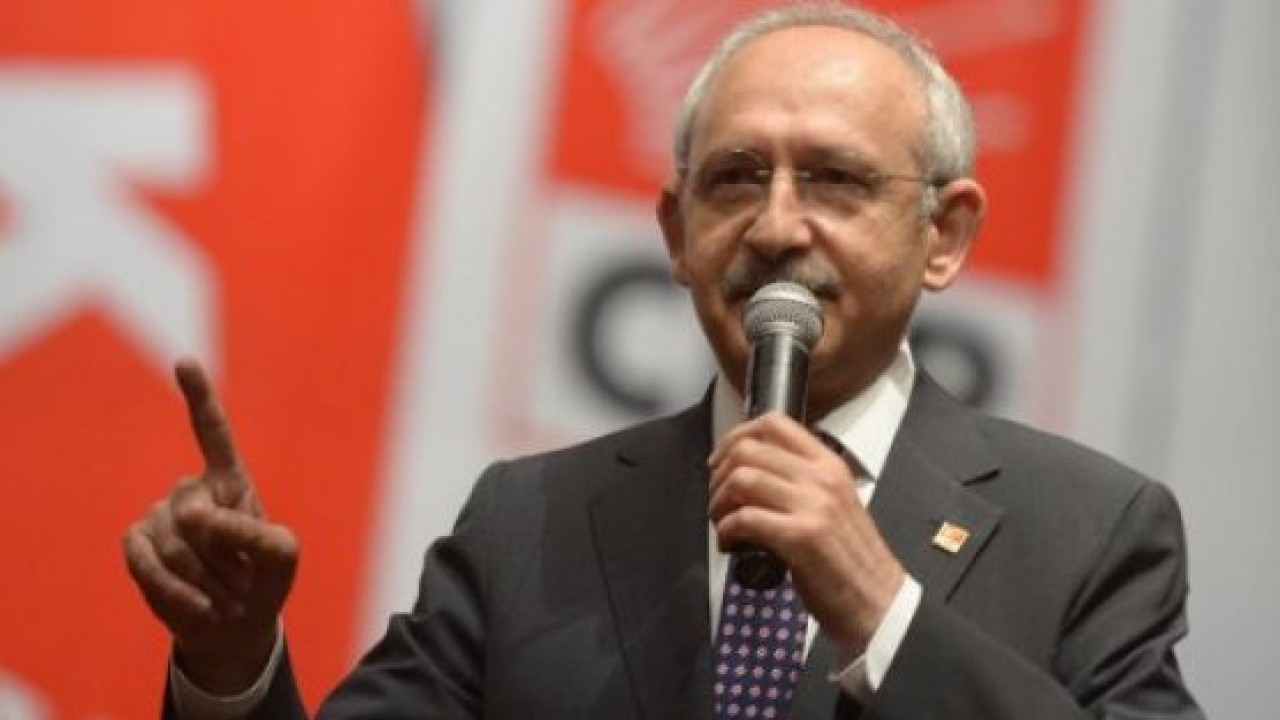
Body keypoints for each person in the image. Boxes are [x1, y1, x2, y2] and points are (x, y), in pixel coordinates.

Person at [123, 3, 1204, 718]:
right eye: (735, 180)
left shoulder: (1089, 532)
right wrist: (231, 663)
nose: (775, 227)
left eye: (833, 180)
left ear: (945, 236)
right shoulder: (527, 523)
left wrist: (885, 612)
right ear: (676, 234)